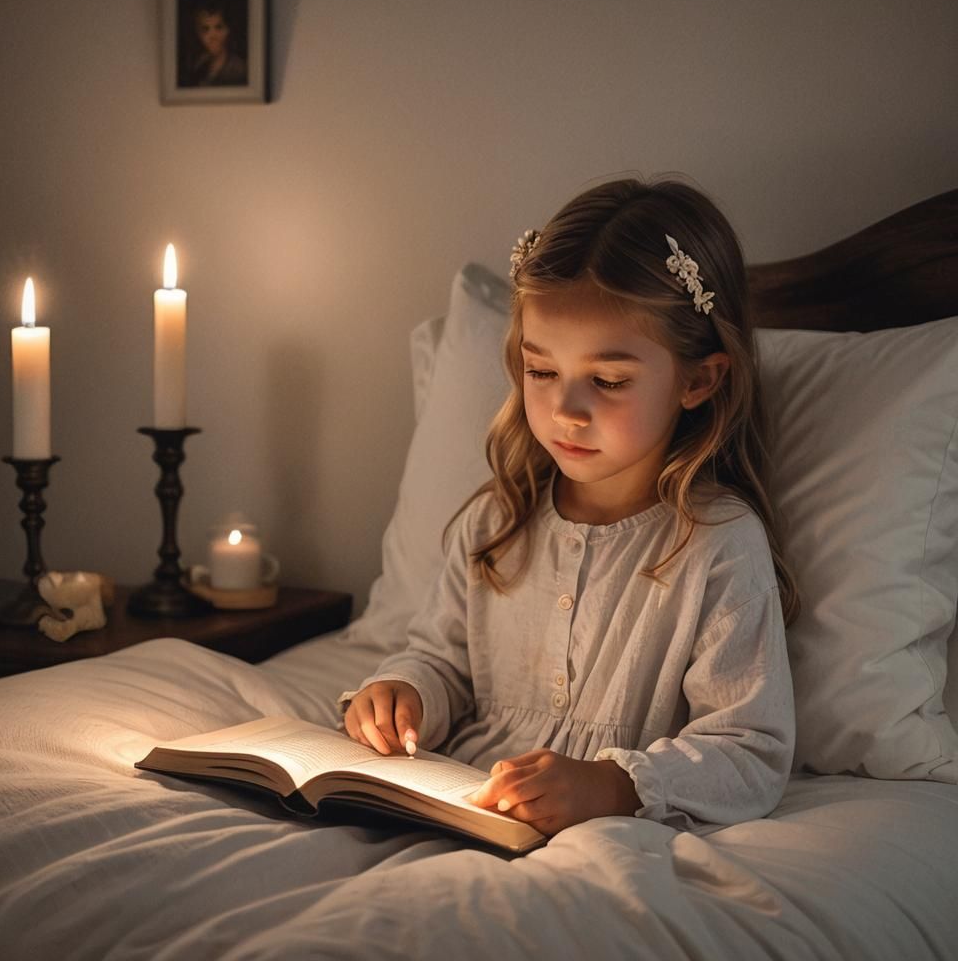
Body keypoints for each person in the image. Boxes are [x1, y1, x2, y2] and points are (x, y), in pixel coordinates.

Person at [341, 176, 799, 837]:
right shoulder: (497, 522)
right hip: (455, 807)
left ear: (698, 379)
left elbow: (749, 749)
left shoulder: (718, 545)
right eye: (542, 371)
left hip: (607, 838)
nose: (564, 410)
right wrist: (403, 694)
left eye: (608, 381)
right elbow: (441, 662)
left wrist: (611, 785)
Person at [186, 2, 247, 87]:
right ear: (198, 34)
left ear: (227, 30)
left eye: (218, 27)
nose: (212, 36)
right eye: (205, 29)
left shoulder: (239, 68)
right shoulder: (197, 66)